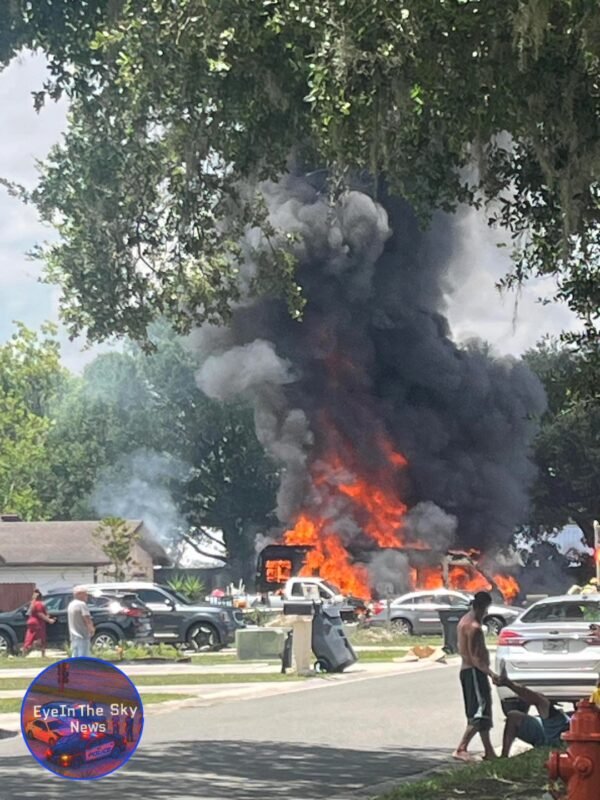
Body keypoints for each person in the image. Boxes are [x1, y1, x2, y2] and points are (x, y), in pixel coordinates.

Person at [453, 591, 498, 762]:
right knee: (479, 712)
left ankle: (489, 751)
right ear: (481, 607)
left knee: (482, 713)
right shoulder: (474, 627)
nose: (486, 613)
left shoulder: (464, 620)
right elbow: (475, 658)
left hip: (469, 672)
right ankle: (461, 748)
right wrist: (491, 673)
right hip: (474, 672)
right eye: (486, 609)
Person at [496, 666, 571, 757]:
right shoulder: (555, 717)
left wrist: (509, 684)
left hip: (556, 737)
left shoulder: (557, 718)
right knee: (514, 716)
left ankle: (508, 683)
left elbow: (538, 700)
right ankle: (504, 755)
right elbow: (536, 699)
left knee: (541, 702)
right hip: (548, 735)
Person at [22, 589, 55, 658]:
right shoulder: (39, 604)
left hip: (31, 621)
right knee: (41, 638)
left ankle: (25, 651)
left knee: (29, 638)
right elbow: (40, 614)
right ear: (41, 597)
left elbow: (31, 613)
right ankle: (41, 653)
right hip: (38, 623)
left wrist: (47, 616)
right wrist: (49, 620)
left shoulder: (32, 603)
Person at [67, 586, 95, 657]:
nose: (87, 596)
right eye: (85, 594)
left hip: (73, 636)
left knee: (75, 657)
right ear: (79, 594)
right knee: (83, 656)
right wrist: (91, 629)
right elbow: (86, 618)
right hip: (82, 635)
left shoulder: (71, 604)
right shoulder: (81, 604)